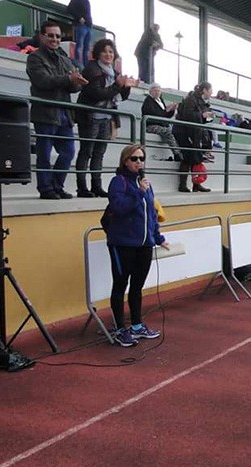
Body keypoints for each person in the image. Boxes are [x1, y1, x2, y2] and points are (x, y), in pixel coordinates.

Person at [105, 144, 168, 347]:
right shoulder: (118, 182)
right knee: (120, 285)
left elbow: (151, 215)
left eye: (141, 159)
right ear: (125, 161)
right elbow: (119, 208)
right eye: (134, 159)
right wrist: (138, 193)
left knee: (137, 287)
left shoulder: (146, 184)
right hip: (122, 244)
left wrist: (158, 238)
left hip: (144, 245)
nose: (139, 162)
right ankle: (119, 328)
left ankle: (137, 326)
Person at [26, 21, 88, 200]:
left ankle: (57, 186)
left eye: (58, 36)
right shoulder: (35, 57)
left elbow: (73, 85)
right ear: (42, 36)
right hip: (45, 113)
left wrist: (76, 83)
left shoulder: (64, 59)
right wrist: (69, 79)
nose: (55, 39)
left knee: (68, 152)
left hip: (65, 113)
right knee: (44, 154)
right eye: (51, 35)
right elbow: (43, 81)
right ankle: (46, 188)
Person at [75, 39, 136, 198]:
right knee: (86, 151)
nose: (108, 54)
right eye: (105, 51)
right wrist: (117, 85)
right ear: (98, 53)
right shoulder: (92, 69)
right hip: (91, 117)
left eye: (111, 51)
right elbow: (97, 94)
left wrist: (126, 86)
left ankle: (97, 185)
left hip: (107, 117)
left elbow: (121, 96)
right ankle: (82, 187)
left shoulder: (114, 73)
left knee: (99, 153)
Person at [173, 81, 213, 192]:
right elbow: (188, 115)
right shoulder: (190, 99)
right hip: (184, 131)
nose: (211, 93)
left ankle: (196, 184)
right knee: (187, 157)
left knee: (196, 157)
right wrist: (202, 115)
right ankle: (183, 185)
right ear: (204, 90)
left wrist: (208, 117)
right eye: (210, 90)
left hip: (193, 132)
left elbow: (200, 119)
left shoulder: (201, 101)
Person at [142, 83, 182, 162]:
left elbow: (165, 116)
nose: (157, 92)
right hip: (151, 125)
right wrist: (166, 110)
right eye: (155, 91)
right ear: (150, 92)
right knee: (167, 131)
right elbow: (155, 115)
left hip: (161, 124)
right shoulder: (148, 101)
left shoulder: (160, 100)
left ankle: (179, 152)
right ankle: (177, 153)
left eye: (159, 91)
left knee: (175, 131)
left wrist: (172, 110)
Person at [66, 0, 92, 69]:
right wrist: (79, 17)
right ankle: (79, 66)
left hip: (88, 26)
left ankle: (85, 68)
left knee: (86, 49)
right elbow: (69, 9)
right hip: (81, 25)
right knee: (79, 47)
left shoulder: (87, 1)